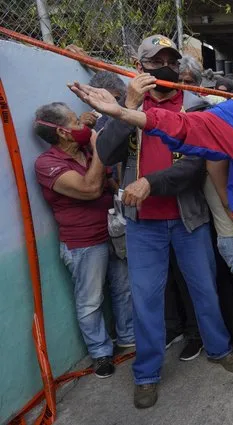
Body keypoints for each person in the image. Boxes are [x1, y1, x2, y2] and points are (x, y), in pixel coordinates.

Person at [69, 44, 233, 422]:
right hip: (190, 224)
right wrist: (124, 110)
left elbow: (203, 164)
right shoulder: (229, 112)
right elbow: (163, 136)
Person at [84, 34, 233, 409]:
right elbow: (106, 153)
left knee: (204, 289)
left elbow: (194, 165)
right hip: (142, 224)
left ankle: (220, 350)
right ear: (140, 68)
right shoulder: (127, 105)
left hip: (188, 219)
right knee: (146, 300)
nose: (165, 68)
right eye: (156, 62)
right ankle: (146, 375)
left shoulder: (194, 105)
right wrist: (127, 107)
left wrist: (150, 182)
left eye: (170, 61)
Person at [33, 102, 134, 379]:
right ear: (63, 133)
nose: (84, 124)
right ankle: (100, 353)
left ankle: (128, 337)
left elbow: (109, 182)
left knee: (123, 289)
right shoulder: (47, 164)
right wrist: (97, 142)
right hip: (83, 243)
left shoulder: (87, 151)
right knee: (91, 300)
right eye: (77, 122)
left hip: (112, 232)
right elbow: (90, 189)